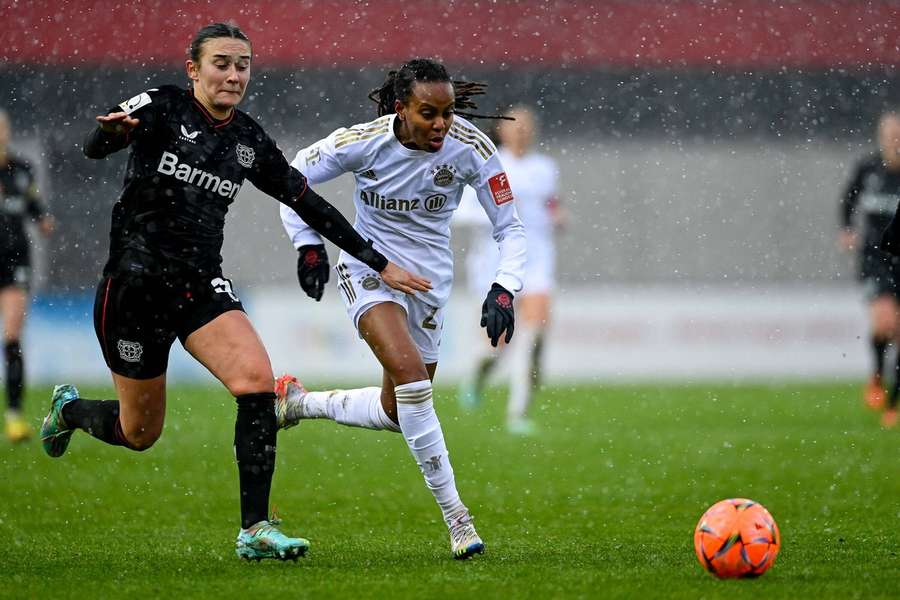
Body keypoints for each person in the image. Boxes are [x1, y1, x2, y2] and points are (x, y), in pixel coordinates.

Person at [38, 22, 427, 561]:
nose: (234, 74)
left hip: (199, 287)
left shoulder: (247, 139)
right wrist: (111, 134)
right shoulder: (162, 105)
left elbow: (305, 201)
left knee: (256, 384)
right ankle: (71, 411)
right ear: (193, 69)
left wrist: (376, 261)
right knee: (139, 432)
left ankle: (255, 529)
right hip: (133, 289)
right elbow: (94, 145)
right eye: (222, 63)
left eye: (243, 64)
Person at [276, 59, 526, 559]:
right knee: (413, 379)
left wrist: (504, 287)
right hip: (368, 270)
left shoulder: (471, 148)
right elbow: (290, 179)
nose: (441, 124)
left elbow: (511, 229)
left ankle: (299, 403)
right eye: (428, 113)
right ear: (400, 108)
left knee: (398, 411)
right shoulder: (363, 142)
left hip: (430, 285)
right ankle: (458, 519)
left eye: (448, 113)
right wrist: (308, 245)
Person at [456, 105, 563, 435]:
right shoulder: (488, 163)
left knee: (535, 335)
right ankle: (477, 375)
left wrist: (558, 217)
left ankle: (518, 414)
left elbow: (551, 204)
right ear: (502, 129)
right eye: (515, 125)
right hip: (496, 261)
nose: (522, 130)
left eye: (528, 125)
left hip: (537, 260)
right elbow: (460, 214)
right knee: (496, 345)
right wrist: (501, 212)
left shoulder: (545, 168)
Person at [840, 109, 900, 428]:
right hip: (875, 258)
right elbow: (847, 200)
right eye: (889, 133)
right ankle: (877, 376)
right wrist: (847, 228)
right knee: (884, 323)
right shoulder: (868, 169)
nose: (894, 138)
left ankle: (893, 405)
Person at [0, 109, 54, 442]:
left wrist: (45, 220)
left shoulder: (21, 170)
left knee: (12, 338)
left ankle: (14, 416)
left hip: (14, 260)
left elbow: (37, 209)